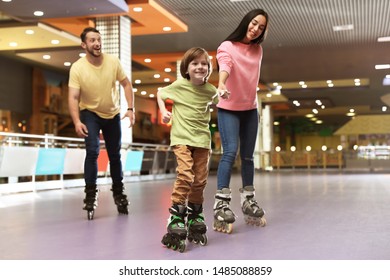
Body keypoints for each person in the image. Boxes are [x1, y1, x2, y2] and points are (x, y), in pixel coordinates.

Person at [157, 47, 228, 252]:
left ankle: (195, 214)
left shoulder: (210, 90)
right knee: (186, 174)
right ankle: (176, 214)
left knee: (200, 180)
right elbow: (160, 93)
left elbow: (220, 98)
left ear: (209, 69)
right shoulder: (179, 85)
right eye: (195, 63)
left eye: (204, 64)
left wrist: (224, 94)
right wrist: (163, 112)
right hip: (181, 138)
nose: (200, 67)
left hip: (202, 141)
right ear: (186, 68)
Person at [68, 27, 135, 220]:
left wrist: (130, 108)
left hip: (112, 114)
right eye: (92, 40)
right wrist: (76, 121)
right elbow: (73, 97)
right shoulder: (78, 68)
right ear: (84, 45)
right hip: (90, 113)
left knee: (115, 155)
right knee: (93, 151)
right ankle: (90, 194)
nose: (97, 43)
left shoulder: (112, 62)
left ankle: (118, 192)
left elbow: (126, 84)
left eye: (98, 39)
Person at [213, 9, 269, 233]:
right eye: (254, 23)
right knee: (230, 152)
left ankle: (248, 199)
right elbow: (226, 64)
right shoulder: (226, 46)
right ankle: (221, 203)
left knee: (247, 156)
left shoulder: (258, 50)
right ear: (246, 22)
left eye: (261, 27)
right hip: (228, 108)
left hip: (250, 109)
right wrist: (222, 83)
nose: (255, 29)